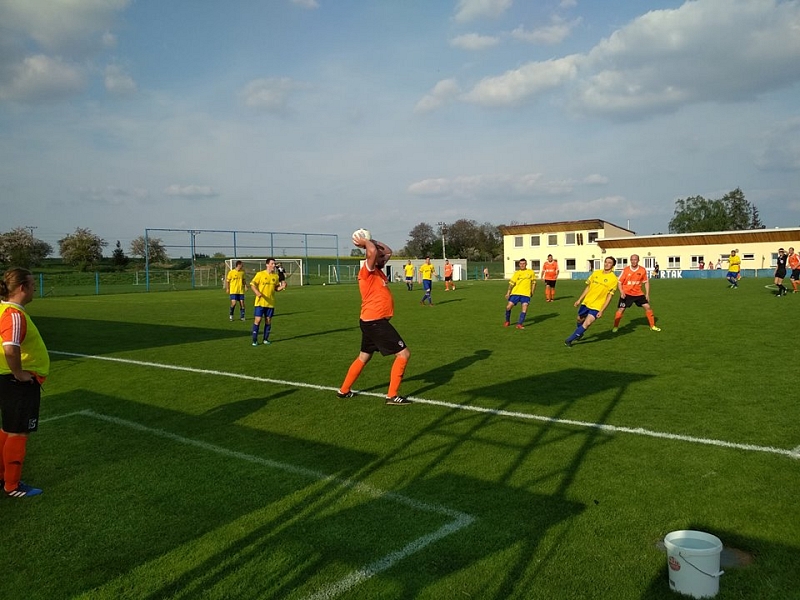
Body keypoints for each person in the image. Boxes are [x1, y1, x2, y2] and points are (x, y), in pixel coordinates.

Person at [337, 234, 412, 406]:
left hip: (371, 321)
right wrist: (365, 242)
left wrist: (373, 241)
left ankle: (344, 390)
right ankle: (392, 396)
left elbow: (389, 252)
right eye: (379, 256)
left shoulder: (378, 271)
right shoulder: (367, 271)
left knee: (364, 357)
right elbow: (371, 252)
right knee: (404, 354)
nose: (383, 257)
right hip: (375, 322)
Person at [1, 268, 49, 498]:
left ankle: (3, 477)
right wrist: (19, 374)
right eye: (32, 285)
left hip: (6, 379)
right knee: (18, 432)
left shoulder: (4, 309)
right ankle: (12, 486)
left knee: (8, 429)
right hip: (16, 383)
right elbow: (11, 348)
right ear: (22, 288)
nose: (34, 289)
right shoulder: (13, 314)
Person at [565, 256, 618, 347]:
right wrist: (579, 300)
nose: (607, 264)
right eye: (606, 262)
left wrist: (602, 310)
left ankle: (569, 340)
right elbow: (588, 287)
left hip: (597, 305)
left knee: (588, 323)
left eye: (609, 263)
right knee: (579, 319)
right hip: (587, 302)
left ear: (613, 265)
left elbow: (609, 297)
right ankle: (579, 333)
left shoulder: (613, 279)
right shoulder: (596, 273)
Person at [612, 254, 661, 332]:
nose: (633, 261)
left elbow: (646, 282)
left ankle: (652, 326)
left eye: (635, 259)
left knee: (647, 307)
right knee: (621, 309)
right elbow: (619, 282)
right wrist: (621, 292)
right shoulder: (626, 270)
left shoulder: (642, 270)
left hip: (638, 293)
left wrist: (647, 294)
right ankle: (615, 326)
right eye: (632, 260)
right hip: (627, 293)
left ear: (638, 260)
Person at [249, 258, 286, 346]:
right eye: (272, 263)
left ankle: (265, 339)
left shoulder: (275, 276)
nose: (274, 265)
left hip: (270, 303)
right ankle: (254, 340)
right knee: (258, 320)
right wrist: (257, 292)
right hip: (260, 302)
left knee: (268, 320)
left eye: (274, 264)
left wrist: (282, 287)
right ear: (267, 264)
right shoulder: (260, 274)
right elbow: (252, 284)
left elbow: (276, 288)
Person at [504, 258, 536, 330]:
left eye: (523, 264)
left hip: (526, 294)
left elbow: (534, 283)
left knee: (525, 307)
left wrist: (532, 291)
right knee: (508, 307)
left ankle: (519, 324)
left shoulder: (531, 272)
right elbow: (511, 284)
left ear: (526, 264)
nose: (522, 265)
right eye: (521, 264)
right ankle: (507, 321)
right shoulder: (517, 273)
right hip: (515, 293)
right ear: (519, 264)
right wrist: (508, 293)